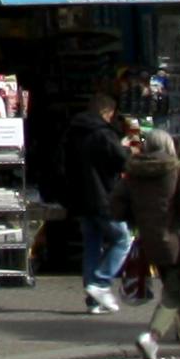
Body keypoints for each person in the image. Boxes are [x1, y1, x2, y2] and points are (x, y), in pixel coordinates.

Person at [115, 127, 180, 359]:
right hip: (179, 240)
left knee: (177, 290)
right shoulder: (178, 169)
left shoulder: (133, 173)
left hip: (151, 239)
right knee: (175, 292)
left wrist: (139, 217)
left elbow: (117, 206)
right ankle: (152, 336)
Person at [61, 95, 136, 315]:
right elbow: (121, 161)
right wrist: (129, 151)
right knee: (123, 239)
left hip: (81, 197)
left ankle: (93, 300)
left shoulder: (73, 132)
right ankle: (101, 283)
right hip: (103, 196)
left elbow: (62, 164)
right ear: (108, 112)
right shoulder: (103, 134)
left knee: (92, 245)